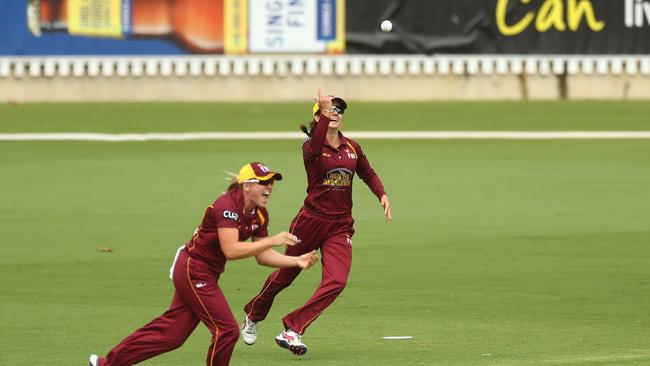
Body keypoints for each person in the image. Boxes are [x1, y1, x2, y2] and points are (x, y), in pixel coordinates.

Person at [88, 162, 318, 366]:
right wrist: (272, 240)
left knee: (172, 335)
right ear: (246, 185)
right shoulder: (227, 205)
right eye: (263, 182)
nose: (269, 187)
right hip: (193, 269)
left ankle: (107, 364)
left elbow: (263, 255)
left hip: (203, 273)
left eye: (271, 182)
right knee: (226, 330)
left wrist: (295, 261)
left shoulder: (259, 214)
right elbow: (232, 250)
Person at [241, 90, 392, 356]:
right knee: (285, 276)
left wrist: (381, 194)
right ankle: (254, 314)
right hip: (310, 221)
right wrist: (323, 113)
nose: (335, 113)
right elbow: (317, 137)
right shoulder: (311, 147)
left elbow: (367, 172)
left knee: (337, 280)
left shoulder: (352, 148)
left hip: (340, 225)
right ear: (318, 115)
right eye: (330, 109)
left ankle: (293, 328)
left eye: (339, 110)